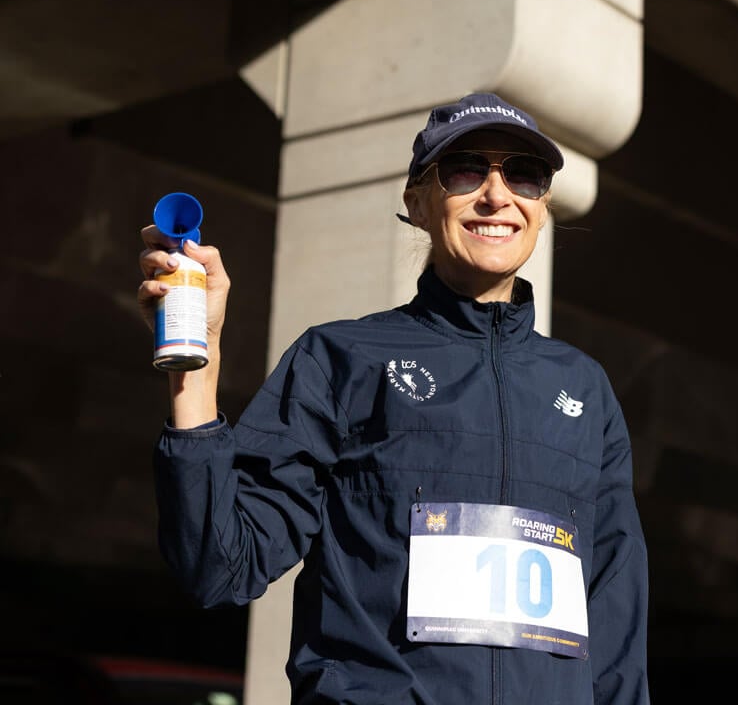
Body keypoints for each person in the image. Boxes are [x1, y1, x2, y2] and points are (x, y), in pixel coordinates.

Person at [136, 92, 651, 704]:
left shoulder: (585, 388)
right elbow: (220, 567)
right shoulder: (340, 359)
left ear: (541, 209)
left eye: (523, 174)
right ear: (418, 202)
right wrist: (197, 369)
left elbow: (616, 625)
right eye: (465, 170)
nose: (496, 194)